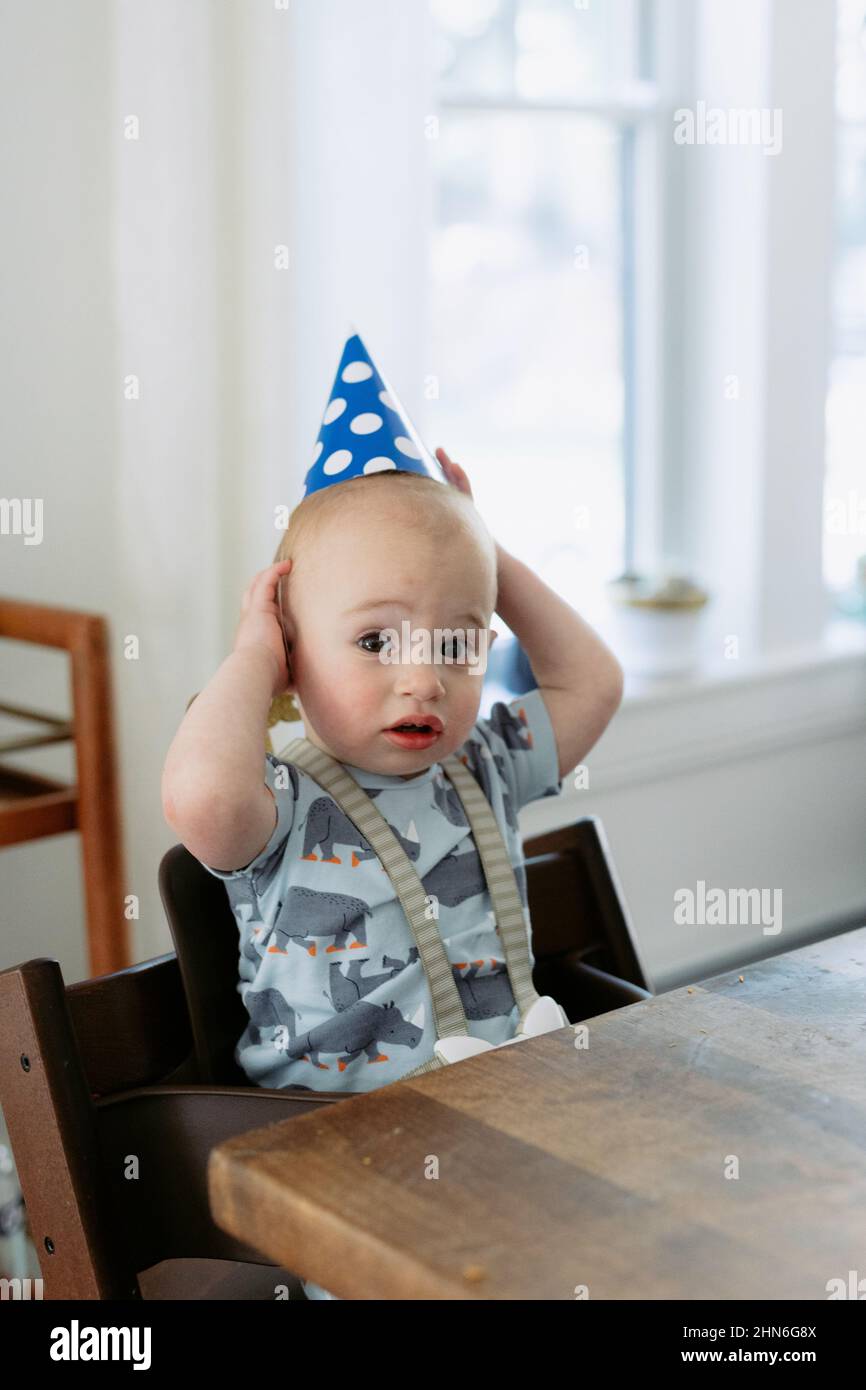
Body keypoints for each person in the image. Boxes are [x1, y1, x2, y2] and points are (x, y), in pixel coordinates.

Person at [162, 335, 624, 1300]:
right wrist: (256, 652)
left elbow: (593, 680)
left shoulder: (483, 763)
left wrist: (486, 553)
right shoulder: (279, 801)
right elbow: (199, 802)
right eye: (375, 639)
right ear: (294, 653)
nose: (422, 674)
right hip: (342, 1167)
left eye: (455, 638)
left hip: (505, 1134)